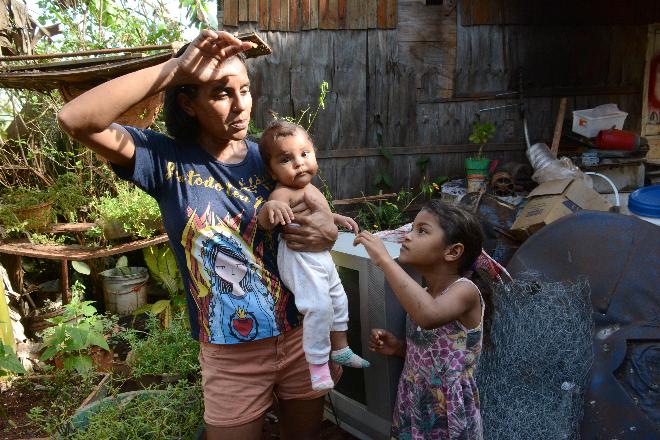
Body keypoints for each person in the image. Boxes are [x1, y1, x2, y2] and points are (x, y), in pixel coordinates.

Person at [57, 30, 340, 439]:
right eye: (221, 93)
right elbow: (75, 119)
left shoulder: (271, 157)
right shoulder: (164, 160)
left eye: (245, 89)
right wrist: (176, 68)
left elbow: (317, 216)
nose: (240, 105)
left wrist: (327, 230)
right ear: (188, 103)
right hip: (230, 355)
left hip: (300, 337)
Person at [354, 200, 485, 439]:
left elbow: (429, 316)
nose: (408, 237)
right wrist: (399, 348)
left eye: (421, 231)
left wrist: (384, 261)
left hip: (447, 409)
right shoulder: (423, 296)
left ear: (453, 251)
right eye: (411, 229)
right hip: (414, 402)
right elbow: (434, 352)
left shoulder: (465, 291)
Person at [256, 120, 369, 391]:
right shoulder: (283, 192)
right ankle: (317, 365)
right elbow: (266, 220)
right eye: (286, 159)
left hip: (319, 256)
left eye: (304, 154)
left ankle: (340, 347)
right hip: (299, 257)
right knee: (318, 307)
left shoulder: (309, 188)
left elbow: (320, 213)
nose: (299, 163)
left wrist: (336, 218)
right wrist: (270, 208)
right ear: (271, 172)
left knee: (338, 299)